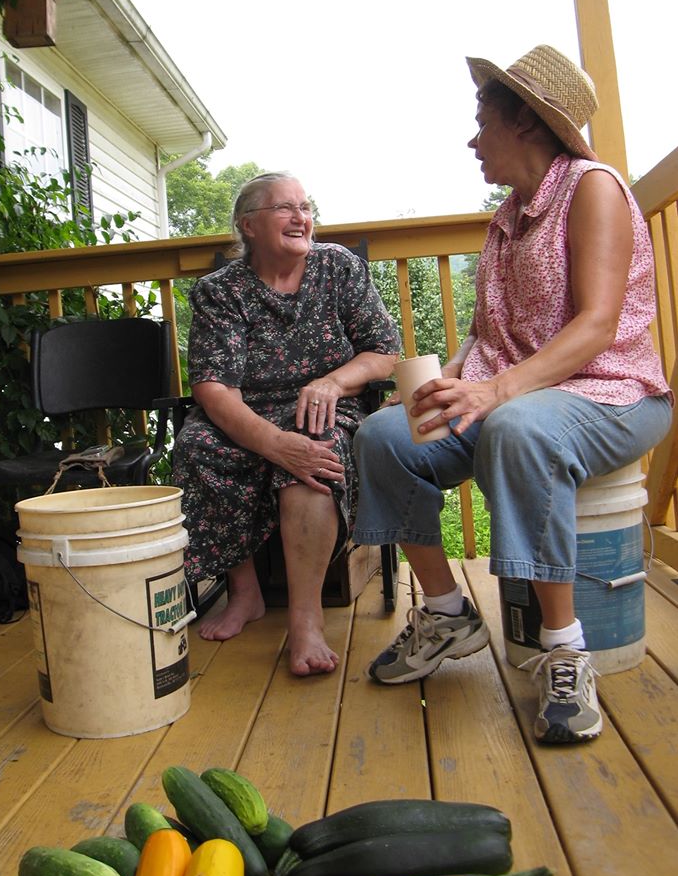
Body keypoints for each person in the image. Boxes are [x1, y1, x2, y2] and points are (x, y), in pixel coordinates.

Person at [352, 45, 672, 742]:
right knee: (382, 435)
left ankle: (563, 651)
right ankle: (444, 611)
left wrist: (494, 393)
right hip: (516, 395)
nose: (473, 139)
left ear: (526, 122)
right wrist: (453, 383)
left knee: (519, 427)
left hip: (613, 395)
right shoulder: (507, 217)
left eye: (482, 120)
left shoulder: (593, 189)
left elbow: (596, 326)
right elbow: (485, 332)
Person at [172, 172, 400, 676]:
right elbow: (213, 386)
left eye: (305, 206)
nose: (301, 217)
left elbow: (384, 352)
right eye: (285, 208)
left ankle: (305, 618)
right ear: (248, 225)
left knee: (314, 451)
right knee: (197, 446)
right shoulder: (220, 291)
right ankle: (245, 591)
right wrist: (274, 442)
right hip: (247, 407)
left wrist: (334, 383)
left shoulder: (338, 268)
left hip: (321, 401)